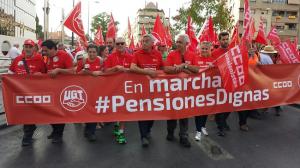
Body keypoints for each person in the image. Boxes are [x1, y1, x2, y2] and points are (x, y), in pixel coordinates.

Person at [8, 39, 46, 146]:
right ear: (23, 48)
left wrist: (41, 76)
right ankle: (30, 129)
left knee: (29, 114)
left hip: (34, 93)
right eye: (26, 46)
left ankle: (27, 136)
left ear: (34, 48)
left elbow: (45, 75)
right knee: (24, 113)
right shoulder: (17, 59)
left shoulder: (39, 59)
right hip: (19, 93)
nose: (28, 49)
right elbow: (10, 73)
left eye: (30, 47)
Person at [130, 34, 163, 147]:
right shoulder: (137, 54)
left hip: (155, 90)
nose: (144, 42)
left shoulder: (158, 54)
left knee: (152, 113)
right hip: (141, 89)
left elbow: (163, 68)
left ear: (152, 43)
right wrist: (147, 72)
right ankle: (143, 136)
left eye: (147, 41)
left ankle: (148, 130)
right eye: (143, 41)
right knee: (143, 113)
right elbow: (132, 67)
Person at [164, 34, 195, 147]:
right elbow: (166, 69)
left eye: (180, 42)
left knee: (184, 114)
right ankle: (170, 132)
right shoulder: (172, 54)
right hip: (173, 90)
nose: (177, 44)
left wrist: (184, 66)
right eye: (176, 41)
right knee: (172, 114)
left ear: (186, 44)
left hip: (187, 91)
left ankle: (184, 136)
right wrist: (180, 69)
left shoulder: (192, 55)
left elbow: (196, 70)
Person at [41, 39, 74, 143]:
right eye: (43, 51)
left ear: (52, 49)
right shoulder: (47, 58)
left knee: (59, 113)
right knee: (49, 112)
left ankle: (58, 135)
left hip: (63, 90)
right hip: (51, 90)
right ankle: (55, 131)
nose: (44, 53)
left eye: (46, 51)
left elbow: (73, 71)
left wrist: (59, 70)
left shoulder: (64, 55)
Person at [104, 37, 133, 144]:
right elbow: (106, 71)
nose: (120, 45)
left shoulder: (130, 57)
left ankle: (121, 132)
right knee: (115, 109)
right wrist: (115, 68)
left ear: (125, 44)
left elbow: (135, 70)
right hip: (113, 88)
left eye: (122, 43)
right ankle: (116, 123)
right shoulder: (111, 57)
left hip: (126, 88)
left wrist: (126, 70)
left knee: (123, 110)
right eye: (118, 44)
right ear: (115, 45)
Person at [76, 44, 104, 142]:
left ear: (97, 53)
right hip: (85, 90)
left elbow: (105, 73)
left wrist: (100, 73)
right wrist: (82, 72)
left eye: (94, 52)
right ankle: (88, 129)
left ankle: (91, 132)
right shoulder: (82, 62)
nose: (92, 54)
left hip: (97, 90)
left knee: (94, 111)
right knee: (87, 111)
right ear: (87, 52)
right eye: (90, 52)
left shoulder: (100, 61)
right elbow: (76, 75)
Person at [188, 41, 214, 140]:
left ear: (209, 49)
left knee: (205, 110)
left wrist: (213, 67)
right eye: (202, 48)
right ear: (199, 49)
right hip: (197, 90)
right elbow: (190, 71)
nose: (203, 50)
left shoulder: (212, 60)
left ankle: (203, 126)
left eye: (206, 48)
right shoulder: (195, 58)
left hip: (208, 90)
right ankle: (198, 131)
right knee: (198, 111)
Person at [212, 32, 231, 137]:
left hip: (229, 82)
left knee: (229, 105)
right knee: (221, 106)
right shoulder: (214, 53)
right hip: (218, 83)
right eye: (223, 39)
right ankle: (221, 126)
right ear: (219, 41)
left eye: (226, 39)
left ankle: (222, 121)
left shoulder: (232, 52)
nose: (225, 41)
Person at [259, 45, 282, 116]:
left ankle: (265, 109)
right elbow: (272, 70)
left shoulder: (260, 55)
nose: (273, 54)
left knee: (264, 94)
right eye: (272, 53)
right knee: (273, 94)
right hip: (267, 79)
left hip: (260, 78)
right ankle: (275, 108)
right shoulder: (268, 58)